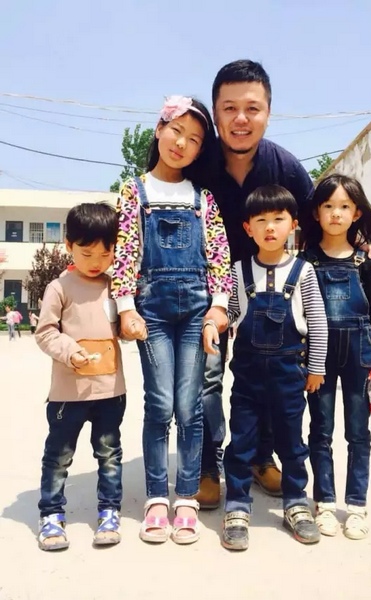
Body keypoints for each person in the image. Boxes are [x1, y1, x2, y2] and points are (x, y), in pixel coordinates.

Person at [194, 59, 371, 509]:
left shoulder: (284, 165)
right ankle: (207, 466)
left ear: (268, 112)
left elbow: (322, 217)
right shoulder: (199, 165)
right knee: (208, 381)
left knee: (265, 373)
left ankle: (262, 459)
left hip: (273, 288)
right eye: (229, 108)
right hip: (209, 291)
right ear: (216, 114)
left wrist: (363, 247)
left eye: (252, 108)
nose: (241, 119)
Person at [111, 96, 232, 545]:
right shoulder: (134, 191)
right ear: (159, 130)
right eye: (176, 131)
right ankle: (157, 499)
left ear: (200, 151)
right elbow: (126, 251)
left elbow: (219, 255)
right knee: (160, 404)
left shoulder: (203, 199)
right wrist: (126, 307)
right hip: (153, 312)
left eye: (194, 139)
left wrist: (219, 306)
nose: (182, 143)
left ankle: (186, 499)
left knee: (190, 406)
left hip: (198, 311)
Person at [221, 185, 328, 550]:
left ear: (293, 225)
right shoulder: (239, 271)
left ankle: (296, 502)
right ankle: (237, 506)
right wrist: (214, 321)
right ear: (247, 228)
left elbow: (317, 321)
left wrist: (316, 367)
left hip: (289, 376)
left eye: (278, 219)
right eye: (261, 220)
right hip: (247, 377)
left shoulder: (304, 271)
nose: (270, 227)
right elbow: (231, 312)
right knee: (241, 441)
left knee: (291, 442)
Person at [300, 174, 371, 541]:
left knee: (358, 433)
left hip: (360, 357)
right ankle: (324, 502)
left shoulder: (365, 263)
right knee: (320, 431)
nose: (336, 213)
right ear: (316, 212)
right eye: (328, 206)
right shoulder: (305, 262)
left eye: (344, 206)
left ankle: (356, 506)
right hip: (318, 360)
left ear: (356, 213)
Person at [35, 203, 126, 551]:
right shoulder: (59, 287)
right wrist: (70, 351)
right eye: (87, 253)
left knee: (109, 455)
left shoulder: (116, 286)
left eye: (105, 253)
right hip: (68, 395)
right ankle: (51, 514)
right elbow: (45, 332)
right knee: (58, 456)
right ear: (69, 246)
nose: (96, 261)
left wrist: (132, 326)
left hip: (111, 392)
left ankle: (109, 512)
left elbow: (123, 326)